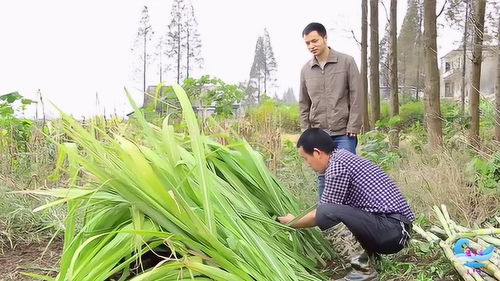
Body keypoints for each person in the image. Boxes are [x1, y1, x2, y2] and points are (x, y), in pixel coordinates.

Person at [278, 128, 415, 281]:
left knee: (325, 213)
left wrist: (292, 222)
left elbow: (322, 213)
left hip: (393, 230)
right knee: (333, 212)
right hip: (395, 230)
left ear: (317, 153)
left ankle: (362, 271)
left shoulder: (337, 166)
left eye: (305, 158)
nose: (307, 164)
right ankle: (369, 264)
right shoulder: (342, 158)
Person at [300, 22, 364, 198]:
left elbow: (356, 95)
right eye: (307, 43)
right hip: (319, 134)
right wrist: (306, 132)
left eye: (314, 41)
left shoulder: (346, 61)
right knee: (323, 177)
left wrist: (353, 125)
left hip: (344, 132)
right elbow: (304, 104)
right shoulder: (306, 70)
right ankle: (326, 220)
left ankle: (350, 220)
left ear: (325, 38)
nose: (311, 46)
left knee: (347, 175)